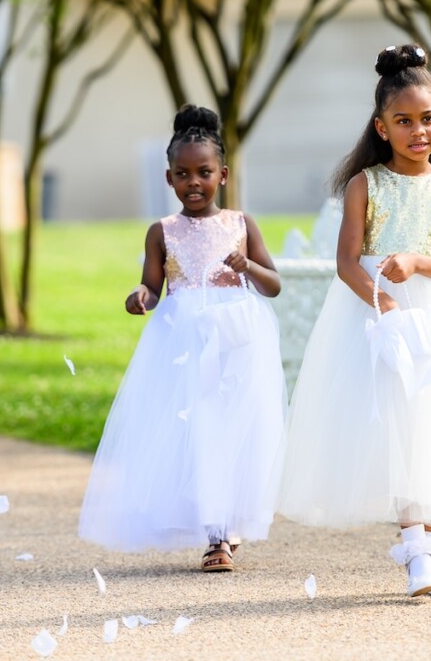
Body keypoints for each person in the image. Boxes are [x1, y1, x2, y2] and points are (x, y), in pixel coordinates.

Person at [276, 45, 431, 597]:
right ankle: (417, 555)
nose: (417, 131)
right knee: (401, 425)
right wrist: (386, 299)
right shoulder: (365, 186)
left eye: (427, 120)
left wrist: (419, 261)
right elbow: (346, 261)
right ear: (382, 126)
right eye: (404, 121)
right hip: (380, 317)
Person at [78, 104, 287, 573]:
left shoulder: (241, 224)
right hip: (184, 343)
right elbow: (153, 286)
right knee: (199, 428)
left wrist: (247, 265)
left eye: (204, 173)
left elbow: (273, 284)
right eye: (183, 174)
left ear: (224, 175)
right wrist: (140, 296)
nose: (194, 183)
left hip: (238, 339)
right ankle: (215, 536)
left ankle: (228, 528)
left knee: (236, 428)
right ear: (169, 179)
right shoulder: (162, 232)